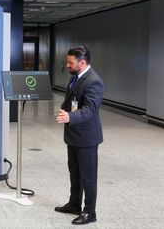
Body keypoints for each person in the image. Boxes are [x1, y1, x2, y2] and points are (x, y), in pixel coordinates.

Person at [55, 46, 104, 225]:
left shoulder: (94, 81)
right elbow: (74, 101)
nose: (67, 65)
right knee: (74, 173)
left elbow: (90, 109)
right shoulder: (75, 77)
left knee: (88, 177)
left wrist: (70, 116)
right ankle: (74, 204)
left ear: (82, 63)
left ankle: (90, 212)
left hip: (87, 138)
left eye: (70, 62)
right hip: (74, 135)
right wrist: (65, 109)